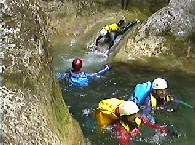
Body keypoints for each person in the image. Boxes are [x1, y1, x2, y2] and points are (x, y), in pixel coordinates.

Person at [96, 98, 169, 145]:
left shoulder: (136, 116)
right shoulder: (122, 130)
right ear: (123, 118)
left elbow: (150, 125)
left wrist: (164, 130)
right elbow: (125, 142)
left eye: (135, 116)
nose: (135, 119)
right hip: (108, 115)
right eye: (132, 117)